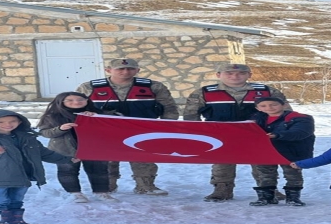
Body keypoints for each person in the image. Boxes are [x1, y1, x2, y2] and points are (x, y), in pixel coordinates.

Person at [183, 63, 290, 202]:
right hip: (221, 135)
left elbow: (286, 112)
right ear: (218, 75)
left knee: (264, 162)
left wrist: (281, 130)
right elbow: (191, 115)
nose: (235, 76)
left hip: (258, 134)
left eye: (241, 73)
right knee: (222, 162)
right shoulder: (204, 92)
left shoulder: (266, 91)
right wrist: (197, 134)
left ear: (249, 75)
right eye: (229, 73)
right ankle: (222, 189)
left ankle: (269, 189)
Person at [76, 58, 179, 196]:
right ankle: (106, 187)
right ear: (108, 70)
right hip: (104, 132)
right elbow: (75, 106)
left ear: (137, 70)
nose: (125, 71)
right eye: (120, 69)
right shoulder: (89, 87)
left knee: (143, 158)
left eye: (130, 68)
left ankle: (146, 186)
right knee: (106, 159)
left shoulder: (153, 87)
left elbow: (169, 108)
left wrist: (167, 125)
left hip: (142, 130)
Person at [37, 92, 117, 203]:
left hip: (94, 149)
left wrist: (97, 117)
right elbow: (45, 133)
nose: (76, 102)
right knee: (67, 172)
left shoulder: (98, 113)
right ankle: (75, 193)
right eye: (70, 100)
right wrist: (60, 129)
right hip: (64, 150)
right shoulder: (53, 116)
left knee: (99, 171)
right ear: (61, 102)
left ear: (87, 100)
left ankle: (101, 192)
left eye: (80, 99)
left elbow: (114, 125)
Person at [249, 97, 315, 207]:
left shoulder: (300, 118)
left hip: (292, 151)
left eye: (273, 104)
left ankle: (293, 198)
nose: (269, 108)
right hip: (265, 151)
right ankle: (267, 197)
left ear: (284, 105)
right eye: (263, 106)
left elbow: (301, 132)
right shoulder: (256, 119)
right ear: (257, 108)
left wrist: (278, 135)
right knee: (265, 174)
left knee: (292, 175)